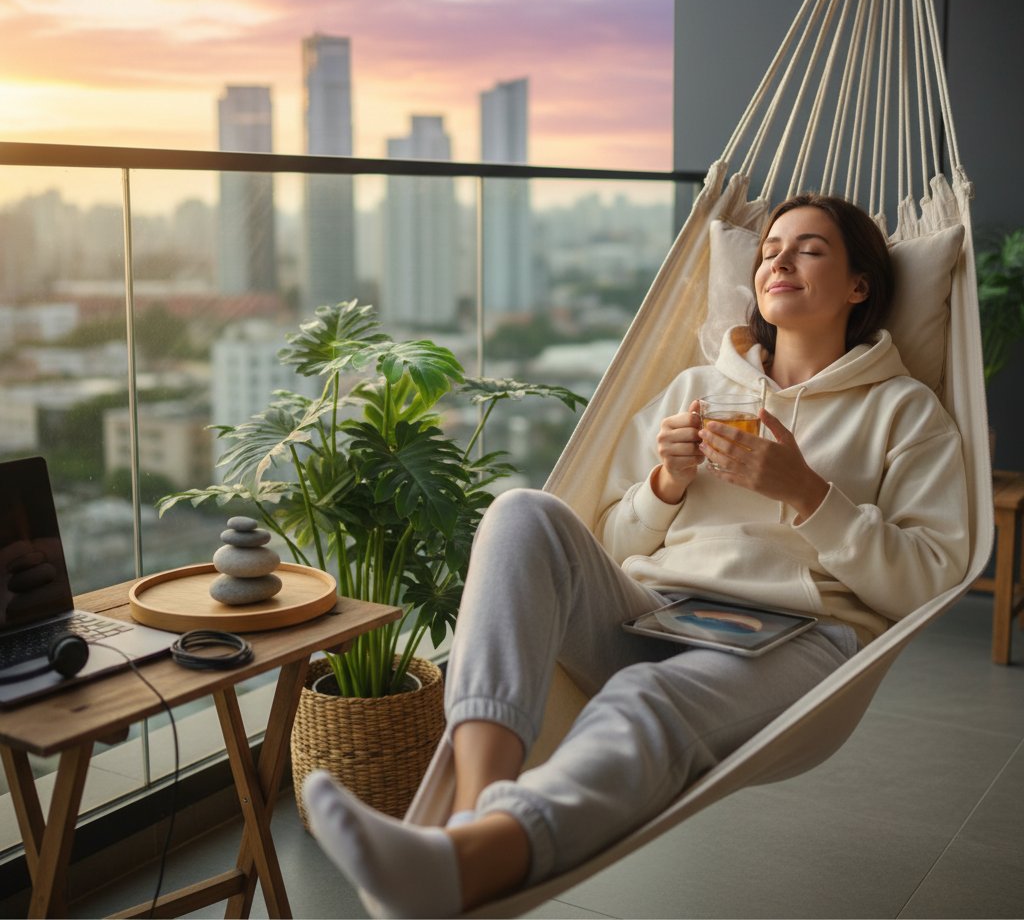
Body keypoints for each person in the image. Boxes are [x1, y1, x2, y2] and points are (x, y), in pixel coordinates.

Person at [302, 193, 970, 918]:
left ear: (859, 285)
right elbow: (610, 543)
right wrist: (666, 484)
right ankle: (468, 816)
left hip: (796, 638)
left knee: (642, 699)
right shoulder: (696, 390)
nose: (779, 258)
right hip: (653, 613)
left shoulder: (904, 411)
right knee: (523, 512)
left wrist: (808, 494)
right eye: (770, 247)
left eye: (809, 248)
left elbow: (928, 580)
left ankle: (480, 855)